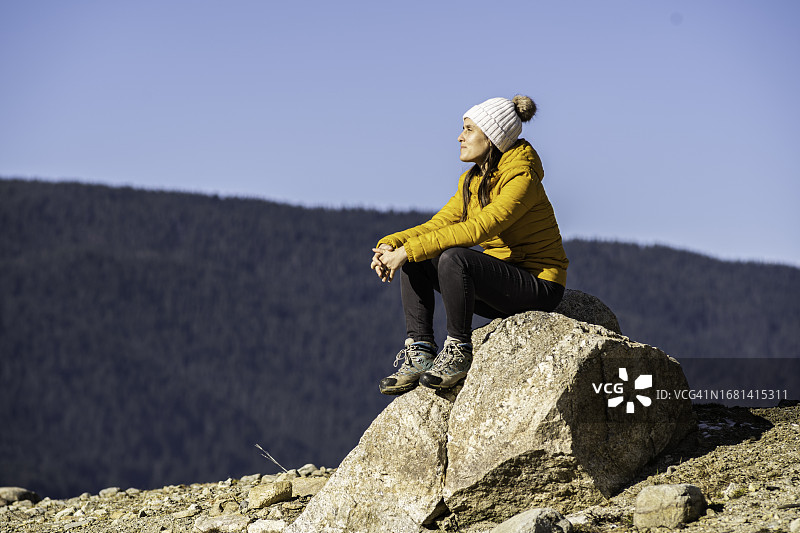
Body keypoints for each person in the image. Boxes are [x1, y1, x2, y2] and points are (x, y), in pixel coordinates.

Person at [370, 95, 568, 395]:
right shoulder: (473, 180)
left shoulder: (522, 177)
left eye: (469, 129)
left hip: (538, 288)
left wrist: (406, 251)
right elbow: (437, 225)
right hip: (501, 286)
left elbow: (482, 227)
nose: (460, 137)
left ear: (492, 137)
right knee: (421, 256)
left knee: (453, 257)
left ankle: (458, 351)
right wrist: (391, 246)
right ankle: (421, 352)